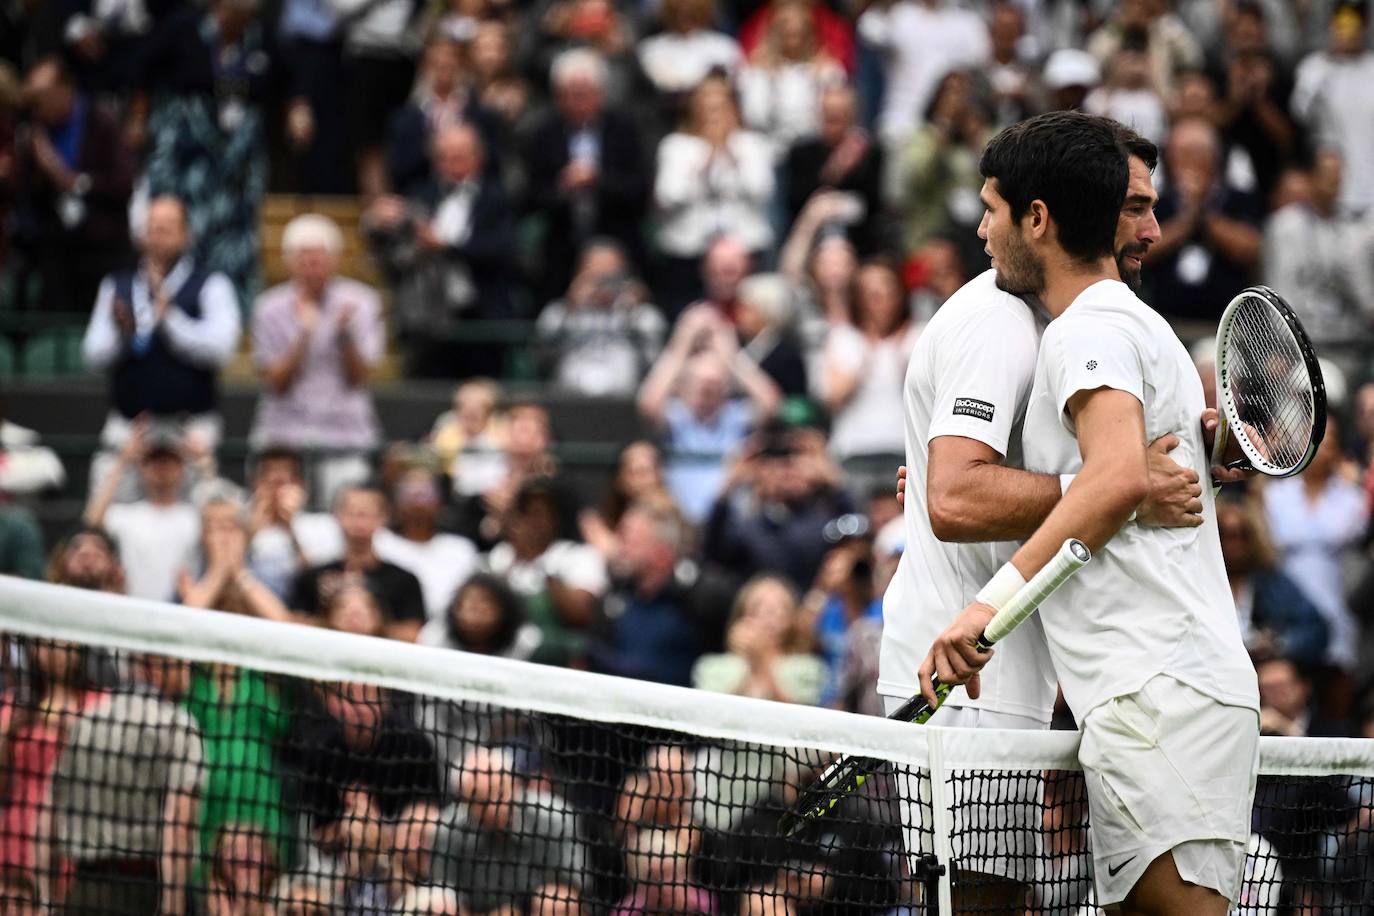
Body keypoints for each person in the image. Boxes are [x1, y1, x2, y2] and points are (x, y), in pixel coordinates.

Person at [921, 112, 1259, 915]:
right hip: (1149, 695)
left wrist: (984, 611)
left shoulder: (1091, 326)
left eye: (993, 208)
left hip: (1161, 692)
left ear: (1036, 219)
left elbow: (1111, 483)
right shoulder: (1128, 324)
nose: (981, 227)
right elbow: (1113, 474)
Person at [81, 194, 241, 499]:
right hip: (130, 425)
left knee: (198, 515)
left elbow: (221, 351)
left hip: (190, 427)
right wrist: (121, 334)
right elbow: (92, 355)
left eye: (168, 227)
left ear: (187, 234)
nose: (159, 234)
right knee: (111, 508)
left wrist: (170, 319)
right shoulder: (117, 285)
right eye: (153, 226)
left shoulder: (211, 284)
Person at [51, 653, 204, 916]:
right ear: (153, 666)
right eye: (182, 659)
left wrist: (47, 897)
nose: (188, 668)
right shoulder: (179, 725)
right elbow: (178, 822)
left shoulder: (87, 720)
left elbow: (49, 812)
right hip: (142, 895)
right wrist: (173, 905)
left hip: (84, 892)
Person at [249, 213, 384, 510]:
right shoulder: (268, 307)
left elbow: (360, 378)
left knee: (349, 507)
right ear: (289, 262)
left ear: (335, 260)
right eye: (305, 259)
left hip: (344, 433)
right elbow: (276, 382)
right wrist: (303, 337)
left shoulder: (361, 303)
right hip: (284, 435)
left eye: (320, 258)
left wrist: (345, 337)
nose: (313, 267)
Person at [364, 124, 515, 378]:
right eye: (445, 157)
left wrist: (446, 246)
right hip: (426, 317)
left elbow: (502, 249)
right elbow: (393, 253)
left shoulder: (498, 198)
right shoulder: (418, 196)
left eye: (459, 156)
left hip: (481, 313)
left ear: (478, 158)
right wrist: (378, 222)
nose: (452, 163)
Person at [522, 48, 649, 306]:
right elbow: (531, 197)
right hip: (563, 242)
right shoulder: (544, 134)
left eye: (583, 94)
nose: (576, 102)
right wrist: (564, 187)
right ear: (557, 97)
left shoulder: (624, 129)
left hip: (617, 237)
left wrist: (598, 180)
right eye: (569, 95)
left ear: (600, 93)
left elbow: (639, 189)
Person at [8, 55, 132, 314]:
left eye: (44, 95)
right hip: (56, 250)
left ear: (65, 90)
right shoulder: (33, 130)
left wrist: (69, 179)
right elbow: (26, 195)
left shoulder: (100, 120)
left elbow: (123, 184)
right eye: (34, 98)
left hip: (103, 246)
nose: (38, 104)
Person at [639, 306, 782, 523]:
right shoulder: (679, 417)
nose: (707, 392)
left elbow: (772, 403)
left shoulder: (734, 416)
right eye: (700, 385)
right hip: (681, 521)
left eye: (715, 386)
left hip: (728, 524)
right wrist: (682, 343)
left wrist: (730, 356)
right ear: (684, 386)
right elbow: (648, 404)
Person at [653, 76, 774, 317]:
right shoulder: (676, 146)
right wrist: (704, 162)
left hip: (745, 248)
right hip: (688, 251)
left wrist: (731, 155)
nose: (714, 116)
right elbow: (667, 198)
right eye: (707, 109)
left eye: (720, 108)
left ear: (733, 109)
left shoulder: (752, 144)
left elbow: (762, 191)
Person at [289, 484, 427, 641]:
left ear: (384, 518)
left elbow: (412, 634)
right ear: (337, 516)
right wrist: (335, 617)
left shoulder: (404, 580)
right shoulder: (312, 576)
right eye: (352, 513)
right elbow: (294, 625)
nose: (359, 521)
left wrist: (371, 620)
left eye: (367, 514)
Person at [83, 423, 200, 602]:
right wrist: (122, 462)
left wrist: (205, 464)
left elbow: (232, 523)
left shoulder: (196, 517)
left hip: (184, 612)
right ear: (142, 468)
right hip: (135, 611)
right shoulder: (128, 515)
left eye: (169, 461)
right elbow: (91, 521)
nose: (162, 469)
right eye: (154, 462)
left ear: (182, 468)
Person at [534, 240, 666, 397]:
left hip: (624, 405)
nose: (602, 283)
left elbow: (655, 359)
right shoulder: (560, 311)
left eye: (610, 275)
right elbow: (541, 355)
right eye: (594, 275)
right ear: (579, 274)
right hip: (569, 403)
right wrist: (571, 306)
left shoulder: (640, 313)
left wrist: (634, 311)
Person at [1217, 496, 1330, 670]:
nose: (1233, 544)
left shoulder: (1273, 582)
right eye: (1224, 535)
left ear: (1254, 538)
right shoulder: (1201, 581)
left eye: (1241, 535)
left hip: (1264, 671)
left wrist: (1278, 644)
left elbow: (1316, 630)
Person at [1290, 1, 1374, 216]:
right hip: (1333, 193)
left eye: (1356, 24)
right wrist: (1329, 61)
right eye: (1342, 24)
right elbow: (1300, 113)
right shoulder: (1314, 67)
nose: (1349, 32)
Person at [692, 573, 824, 704]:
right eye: (758, 606)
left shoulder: (807, 668)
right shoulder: (713, 666)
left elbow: (801, 717)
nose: (767, 616)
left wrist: (761, 663)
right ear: (742, 615)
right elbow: (711, 711)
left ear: (791, 619)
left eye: (777, 609)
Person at [375, 467, 479, 624]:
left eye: (425, 493)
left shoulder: (461, 549)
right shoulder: (380, 542)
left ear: (440, 502)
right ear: (396, 501)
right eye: (409, 493)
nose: (417, 502)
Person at [418, 572, 542, 660]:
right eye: (469, 605)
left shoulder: (525, 641)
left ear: (504, 610)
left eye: (484, 606)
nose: (474, 615)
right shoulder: (436, 636)